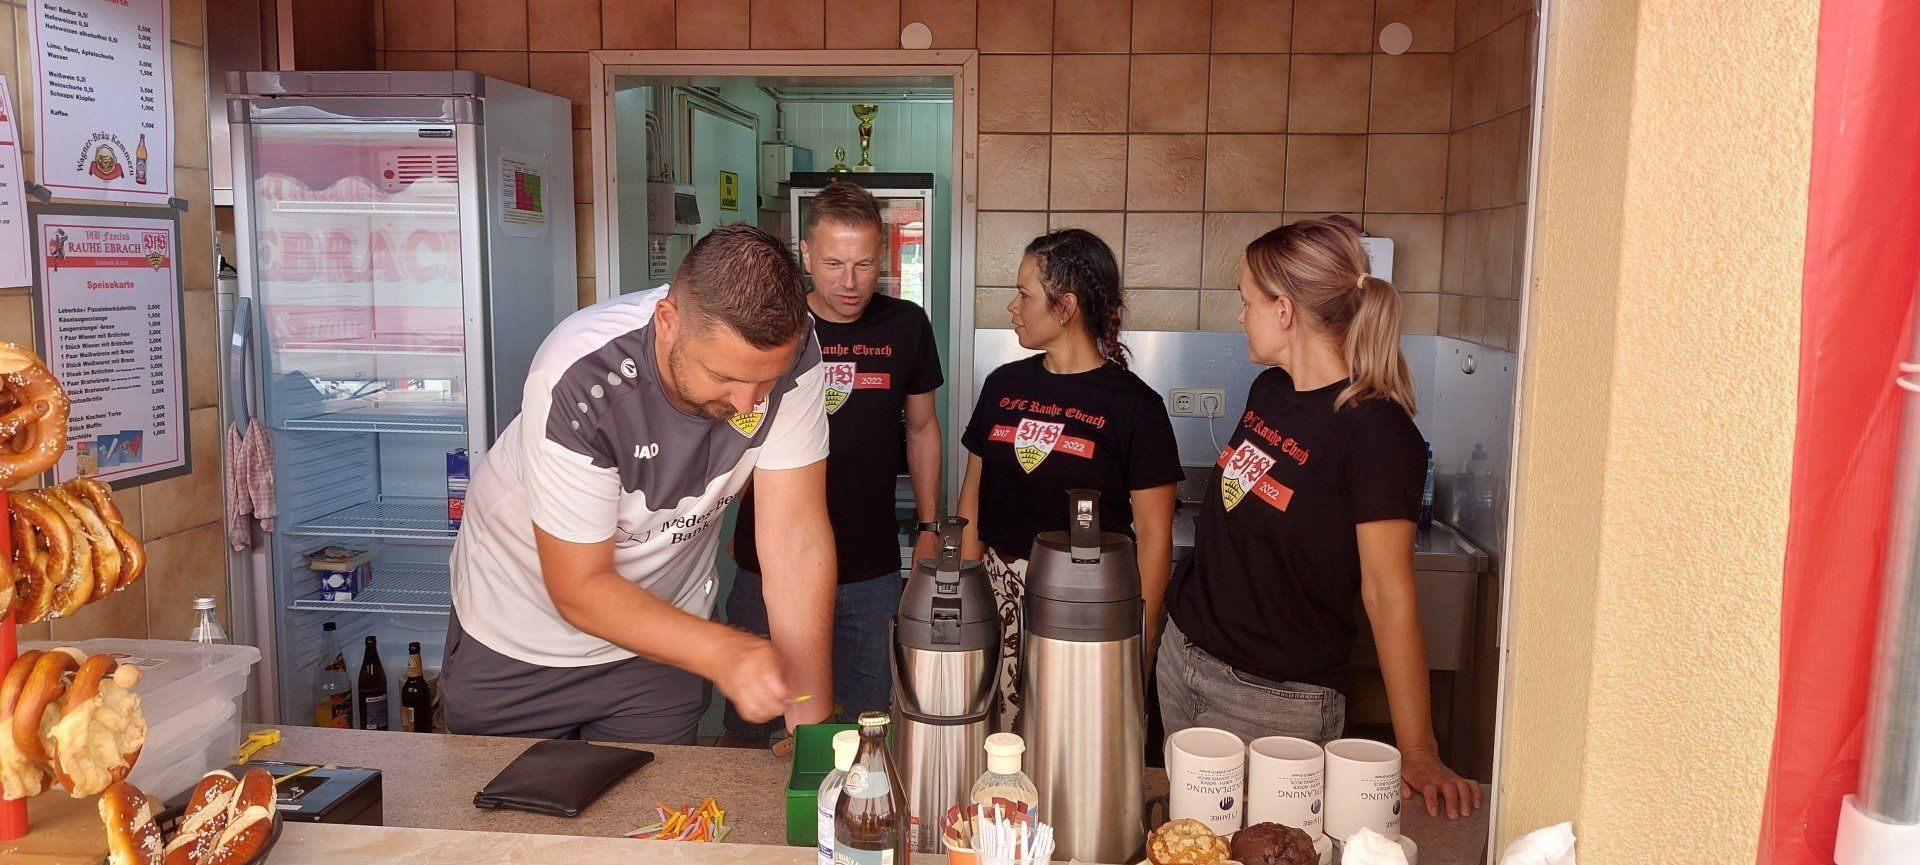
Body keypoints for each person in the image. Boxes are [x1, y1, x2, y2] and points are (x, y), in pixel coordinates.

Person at [442, 224, 835, 744]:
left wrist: (811, 727)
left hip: (665, 640)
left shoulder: (794, 353)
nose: (749, 403)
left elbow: (796, 543)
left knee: (658, 799)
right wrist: (723, 651)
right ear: (667, 321)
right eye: (724, 377)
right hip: (519, 636)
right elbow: (580, 587)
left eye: (765, 382)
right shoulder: (582, 375)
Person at [1158, 219, 1483, 818]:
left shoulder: (1376, 433)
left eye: (1247, 301)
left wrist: (1419, 750)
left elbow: (1388, 594)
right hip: (1185, 659)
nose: (1240, 316)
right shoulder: (1268, 391)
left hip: (1274, 703)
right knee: (1190, 845)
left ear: (1284, 309)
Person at [723, 181, 945, 746]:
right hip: (769, 565)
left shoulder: (906, 326)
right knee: (755, 729)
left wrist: (928, 525)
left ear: (883, 258)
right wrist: (736, 516)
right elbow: (735, 424)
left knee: (862, 730)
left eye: (864, 264)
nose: (850, 281)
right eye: (833, 263)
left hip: (869, 567)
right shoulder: (773, 325)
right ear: (805, 254)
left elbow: (922, 429)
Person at [958, 229, 1182, 730]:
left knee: (1074, 742)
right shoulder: (1003, 385)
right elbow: (972, 494)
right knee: (996, 744)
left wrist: (1139, 647)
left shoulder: (1135, 407)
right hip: (997, 598)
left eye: (1024, 295)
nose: (1012, 307)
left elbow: (1154, 540)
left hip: (1088, 609)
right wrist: (968, 594)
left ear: (1066, 307)